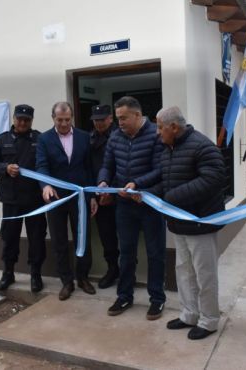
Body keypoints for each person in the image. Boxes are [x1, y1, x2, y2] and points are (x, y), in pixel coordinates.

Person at [152, 106, 226, 340]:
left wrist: (171, 198)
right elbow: (166, 183)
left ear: (174, 127)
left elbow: (213, 179)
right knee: (183, 271)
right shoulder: (168, 149)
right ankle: (189, 314)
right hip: (178, 224)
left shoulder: (203, 146)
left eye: (160, 127)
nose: (157, 133)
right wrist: (145, 193)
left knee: (204, 274)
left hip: (200, 223)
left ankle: (209, 320)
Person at [97, 96, 166, 320]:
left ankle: (157, 299)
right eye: (118, 118)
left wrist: (138, 185)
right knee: (126, 253)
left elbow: (160, 169)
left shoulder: (156, 133)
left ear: (138, 115)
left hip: (149, 204)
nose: (120, 123)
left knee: (155, 253)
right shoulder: (116, 136)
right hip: (124, 205)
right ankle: (124, 295)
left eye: (124, 118)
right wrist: (103, 182)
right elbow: (107, 164)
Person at [36, 101, 98, 300]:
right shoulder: (44, 139)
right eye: (60, 120)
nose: (64, 124)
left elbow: (90, 168)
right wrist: (45, 185)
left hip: (80, 197)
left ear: (72, 118)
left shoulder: (83, 137)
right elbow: (41, 165)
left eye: (67, 119)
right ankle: (66, 281)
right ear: (53, 118)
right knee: (59, 240)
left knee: (83, 238)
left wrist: (92, 196)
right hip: (55, 198)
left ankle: (83, 278)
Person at [0, 104, 47, 293]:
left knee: (37, 238)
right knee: (9, 237)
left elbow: (47, 164)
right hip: (11, 200)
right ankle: (8, 273)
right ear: (13, 118)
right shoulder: (1, 140)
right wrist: (5, 168)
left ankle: (35, 274)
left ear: (31, 121)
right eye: (19, 119)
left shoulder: (40, 139)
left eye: (26, 120)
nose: (22, 122)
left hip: (35, 200)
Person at [89, 104, 119, 289]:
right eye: (96, 120)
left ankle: (128, 272)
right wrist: (94, 194)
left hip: (120, 194)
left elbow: (124, 166)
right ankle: (112, 269)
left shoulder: (120, 136)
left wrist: (112, 191)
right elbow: (88, 168)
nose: (99, 123)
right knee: (107, 236)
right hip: (99, 195)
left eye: (102, 119)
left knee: (126, 236)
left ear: (110, 118)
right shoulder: (89, 138)